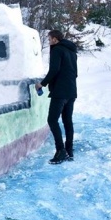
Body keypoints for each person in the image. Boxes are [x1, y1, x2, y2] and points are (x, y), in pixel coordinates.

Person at [36, 30, 78, 164]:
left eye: (49, 39)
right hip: (71, 91)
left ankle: (60, 151)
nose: (49, 42)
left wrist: (42, 84)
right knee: (67, 121)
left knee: (52, 120)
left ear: (55, 39)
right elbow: (75, 73)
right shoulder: (71, 51)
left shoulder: (57, 50)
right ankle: (69, 151)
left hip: (60, 92)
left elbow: (54, 70)